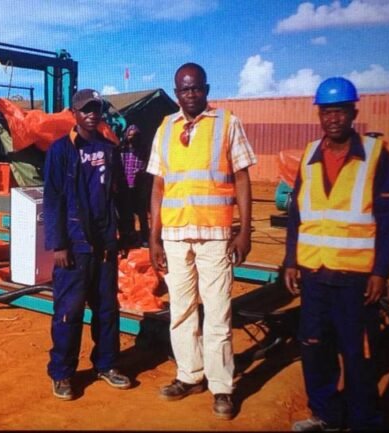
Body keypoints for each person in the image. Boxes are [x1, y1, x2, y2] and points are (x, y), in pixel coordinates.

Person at [283, 77, 389, 431]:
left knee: (357, 354)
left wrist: (380, 271)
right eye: (327, 112)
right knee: (315, 348)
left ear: (353, 113)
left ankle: (366, 421)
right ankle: (326, 415)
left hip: (355, 278)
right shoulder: (309, 157)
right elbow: (296, 214)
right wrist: (290, 260)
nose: (333, 119)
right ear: (320, 114)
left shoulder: (375, 156)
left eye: (340, 111)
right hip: (314, 273)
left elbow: (388, 219)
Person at [147, 63, 256, 420]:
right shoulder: (165, 128)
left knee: (218, 312)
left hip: (215, 236)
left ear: (206, 89)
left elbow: (241, 178)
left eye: (196, 88)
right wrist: (154, 236)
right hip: (175, 236)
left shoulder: (227, 124)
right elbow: (159, 186)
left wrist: (245, 230)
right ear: (176, 92)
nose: (190, 94)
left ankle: (221, 386)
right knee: (181, 312)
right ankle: (189, 375)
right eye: (183, 89)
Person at [43, 88, 131, 401]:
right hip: (74, 248)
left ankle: (106, 364)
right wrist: (59, 244)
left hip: (105, 245)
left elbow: (120, 195)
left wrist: (125, 233)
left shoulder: (109, 149)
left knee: (107, 310)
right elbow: (53, 200)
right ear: (75, 113)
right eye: (86, 109)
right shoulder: (60, 151)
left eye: (96, 109)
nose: (92, 114)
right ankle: (63, 373)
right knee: (69, 312)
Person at [117, 124, 152, 253]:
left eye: (135, 135)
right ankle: (131, 238)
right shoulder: (122, 150)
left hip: (139, 186)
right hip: (126, 187)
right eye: (130, 135)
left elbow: (147, 166)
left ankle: (145, 238)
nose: (132, 138)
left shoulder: (143, 150)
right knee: (127, 215)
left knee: (142, 214)